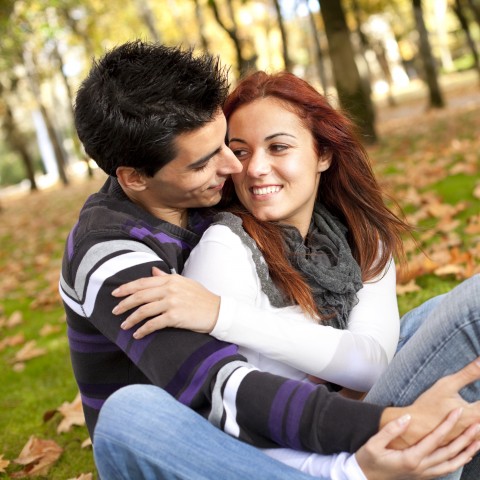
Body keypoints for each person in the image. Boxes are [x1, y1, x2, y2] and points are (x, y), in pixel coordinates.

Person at [59, 41, 480, 479]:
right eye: (210, 159)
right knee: (132, 414)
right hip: (199, 449)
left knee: (436, 317)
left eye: (227, 144)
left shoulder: (216, 193)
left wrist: (224, 314)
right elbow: (220, 392)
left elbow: (367, 358)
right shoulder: (112, 258)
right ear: (133, 177)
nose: (237, 168)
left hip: (304, 411)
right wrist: (373, 444)